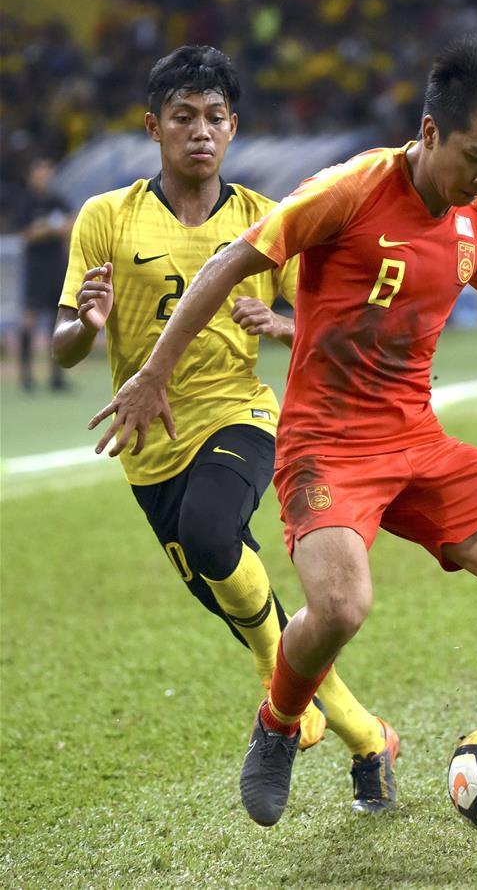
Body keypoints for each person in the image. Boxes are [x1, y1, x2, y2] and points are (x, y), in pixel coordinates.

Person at [89, 35, 477, 840]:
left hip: (418, 442)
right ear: (431, 131)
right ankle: (277, 721)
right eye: (475, 156)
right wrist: (155, 371)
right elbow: (231, 261)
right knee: (339, 605)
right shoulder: (349, 188)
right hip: (324, 448)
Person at [52, 45, 397, 815]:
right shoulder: (104, 217)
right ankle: (369, 740)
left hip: (240, 413)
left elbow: (319, 323)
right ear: (153, 127)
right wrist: (88, 324)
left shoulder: (263, 220)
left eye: (214, 118)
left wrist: (276, 322)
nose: (199, 131)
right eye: (183, 117)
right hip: (147, 446)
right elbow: (64, 341)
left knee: (215, 533)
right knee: (266, 627)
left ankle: (282, 722)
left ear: (234, 127)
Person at [19, 157, 74, 392]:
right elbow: (27, 234)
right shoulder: (26, 201)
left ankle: (56, 377)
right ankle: (26, 377)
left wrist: (57, 229)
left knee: (57, 321)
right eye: (39, 172)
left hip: (56, 266)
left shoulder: (56, 199)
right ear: (31, 176)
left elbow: (71, 224)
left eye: (46, 171)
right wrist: (52, 230)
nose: (44, 176)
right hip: (36, 268)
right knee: (29, 320)